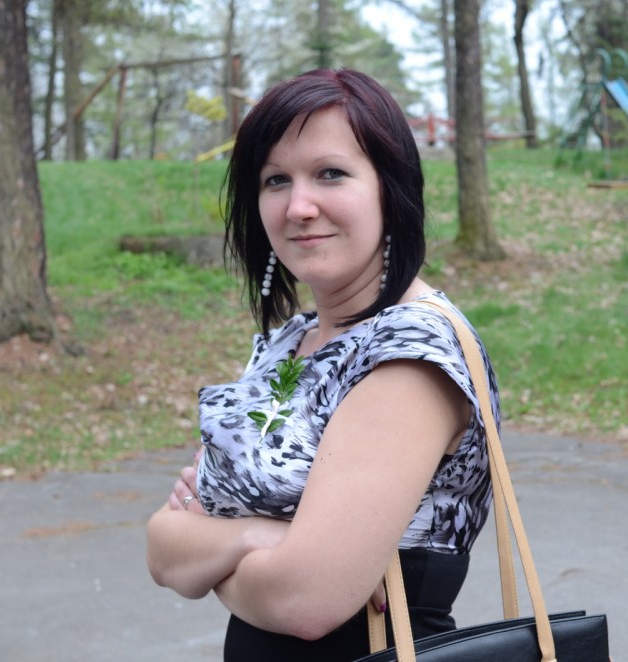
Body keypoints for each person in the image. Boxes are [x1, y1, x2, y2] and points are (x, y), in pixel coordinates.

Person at [146, 68, 500, 661]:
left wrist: (212, 543)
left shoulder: (411, 357)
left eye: (330, 173)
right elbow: (161, 549)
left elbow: (304, 601)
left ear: (390, 187)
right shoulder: (294, 341)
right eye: (276, 180)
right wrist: (257, 537)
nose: (299, 206)